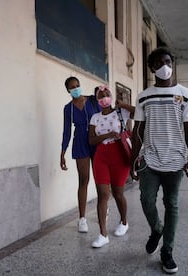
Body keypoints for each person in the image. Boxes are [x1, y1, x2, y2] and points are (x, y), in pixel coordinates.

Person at [130, 47, 188, 274]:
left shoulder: (186, 94)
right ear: (152, 68)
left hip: (176, 160)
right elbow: (137, 130)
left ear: (172, 64)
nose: (164, 67)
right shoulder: (143, 96)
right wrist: (133, 160)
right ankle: (156, 229)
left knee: (172, 204)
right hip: (149, 158)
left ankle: (167, 251)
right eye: (158, 63)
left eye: (167, 62)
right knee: (146, 200)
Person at [89, 85, 135, 248]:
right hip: (101, 155)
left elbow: (138, 113)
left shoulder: (121, 113)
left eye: (106, 94)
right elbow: (91, 140)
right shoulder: (95, 117)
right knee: (102, 194)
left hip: (119, 154)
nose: (104, 98)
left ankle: (124, 222)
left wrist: (122, 105)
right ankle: (103, 234)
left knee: (118, 193)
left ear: (111, 95)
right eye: (100, 95)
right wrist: (107, 135)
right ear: (97, 99)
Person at [60, 76, 101, 233]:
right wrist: (62, 152)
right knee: (83, 180)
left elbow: (103, 118)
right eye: (72, 87)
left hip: (96, 140)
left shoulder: (92, 101)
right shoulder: (68, 108)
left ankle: (102, 208)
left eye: (78, 85)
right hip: (80, 143)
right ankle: (82, 219)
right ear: (68, 90)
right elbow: (66, 132)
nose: (76, 88)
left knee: (101, 178)